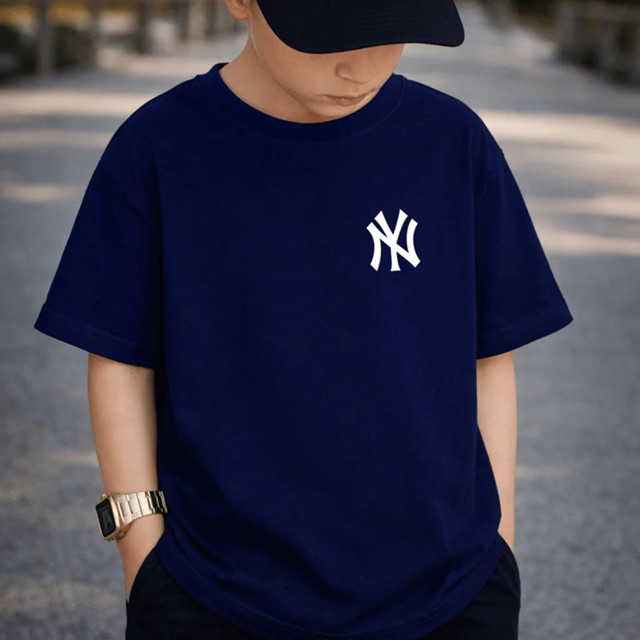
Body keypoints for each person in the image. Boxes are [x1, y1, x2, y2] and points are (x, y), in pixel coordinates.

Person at [33, 0, 574, 638]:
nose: (360, 67)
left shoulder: (452, 142)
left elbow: (489, 354)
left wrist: (498, 547)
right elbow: (120, 360)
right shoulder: (158, 147)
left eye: (390, 34)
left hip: (451, 590)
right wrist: (142, 557)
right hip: (214, 591)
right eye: (330, 38)